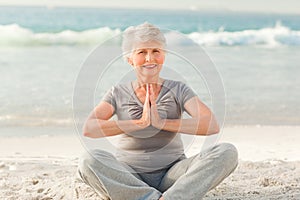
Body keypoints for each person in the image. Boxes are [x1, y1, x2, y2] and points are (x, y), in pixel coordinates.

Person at [78, 22, 238, 200]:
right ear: (130, 59)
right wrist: (138, 123)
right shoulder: (117, 92)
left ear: (164, 55)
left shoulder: (179, 89)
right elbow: (90, 128)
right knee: (89, 160)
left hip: (173, 175)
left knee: (227, 151)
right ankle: (149, 197)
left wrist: (162, 123)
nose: (149, 58)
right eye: (142, 52)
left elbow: (211, 125)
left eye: (156, 51)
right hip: (129, 177)